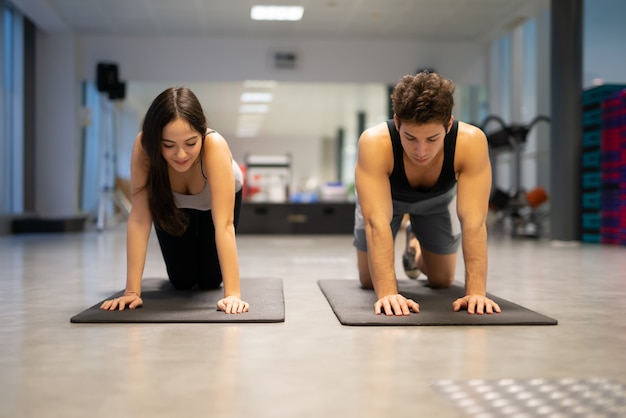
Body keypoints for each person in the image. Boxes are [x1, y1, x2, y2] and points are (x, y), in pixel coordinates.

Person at [353, 71, 501, 316]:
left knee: (442, 280)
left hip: (436, 202)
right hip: (385, 202)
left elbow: (474, 222)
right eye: (410, 138)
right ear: (397, 123)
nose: (421, 151)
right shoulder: (374, 142)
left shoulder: (471, 142)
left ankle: (415, 244)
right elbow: (376, 222)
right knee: (370, 282)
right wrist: (389, 293)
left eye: (432, 139)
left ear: (449, 125)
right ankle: (410, 234)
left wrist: (476, 292)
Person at [100, 86, 249, 314]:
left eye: (191, 143)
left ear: (202, 133)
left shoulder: (215, 146)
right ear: (155, 140)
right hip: (171, 202)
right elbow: (139, 219)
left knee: (210, 280)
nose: (180, 155)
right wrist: (131, 292)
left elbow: (224, 225)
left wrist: (233, 295)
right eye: (168, 145)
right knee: (182, 281)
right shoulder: (144, 148)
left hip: (217, 201)